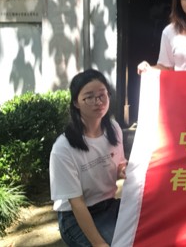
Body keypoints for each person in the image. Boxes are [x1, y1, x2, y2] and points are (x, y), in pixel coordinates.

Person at [49, 69, 127, 247]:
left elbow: (119, 166)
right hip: (76, 217)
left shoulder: (114, 129)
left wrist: (124, 170)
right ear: (76, 102)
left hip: (109, 205)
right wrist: (99, 244)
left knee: (147, 229)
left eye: (102, 95)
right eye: (89, 97)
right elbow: (76, 203)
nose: (98, 102)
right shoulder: (63, 148)